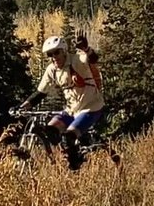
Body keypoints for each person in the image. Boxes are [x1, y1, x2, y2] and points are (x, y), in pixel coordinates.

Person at [19, 35, 104, 170]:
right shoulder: (52, 70)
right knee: (50, 131)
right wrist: (23, 107)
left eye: (57, 52)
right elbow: (41, 92)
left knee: (68, 137)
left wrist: (86, 49)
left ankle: (75, 168)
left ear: (64, 50)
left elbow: (93, 59)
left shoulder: (77, 60)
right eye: (50, 54)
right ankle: (66, 155)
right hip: (71, 110)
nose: (54, 57)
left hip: (91, 108)